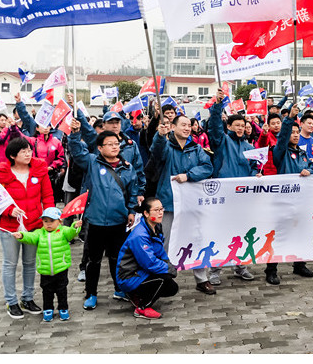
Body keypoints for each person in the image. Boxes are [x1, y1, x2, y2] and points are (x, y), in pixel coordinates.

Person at [65, 115, 143, 311]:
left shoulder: (127, 167)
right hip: (96, 221)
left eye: (116, 144)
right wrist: (75, 134)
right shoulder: (92, 162)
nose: (115, 147)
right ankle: (91, 293)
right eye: (109, 144)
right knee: (94, 260)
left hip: (119, 220)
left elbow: (133, 190)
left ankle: (119, 289)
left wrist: (131, 210)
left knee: (117, 258)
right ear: (100, 148)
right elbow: (76, 152)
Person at [144, 113, 214, 294]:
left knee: (197, 239)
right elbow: (156, 154)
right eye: (183, 124)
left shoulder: (196, 148)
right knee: (165, 241)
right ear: (173, 127)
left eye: (189, 125)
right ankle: (164, 277)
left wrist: (189, 175)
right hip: (168, 202)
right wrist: (159, 136)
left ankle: (202, 278)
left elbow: (207, 167)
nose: (187, 128)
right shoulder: (166, 145)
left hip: (191, 203)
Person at [0, 137, 52, 319]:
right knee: (10, 264)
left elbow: (47, 195)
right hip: (10, 228)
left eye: (29, 150)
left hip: (33, 225)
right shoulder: (1, 173)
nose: (28, 154)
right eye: (23, 151)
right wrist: (10, 210)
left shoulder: (39, 169)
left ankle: (28, 298)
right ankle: (11, 301)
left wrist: (48, 217)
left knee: (30, 263)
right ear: (12, 156)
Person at [203, 91, 260, 283]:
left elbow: (254, 168)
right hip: (223, 195)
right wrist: (218, 104)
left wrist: (255, 176)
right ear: (229, 126)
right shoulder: (221, 142)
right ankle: (214, 271)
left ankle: (240, 266)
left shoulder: (249, 148)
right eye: (237, 125)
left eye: (243, 126)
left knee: (243, 233)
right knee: (220, 232)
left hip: (243, 198)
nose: (241, 128)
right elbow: (214, 127)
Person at [265, 112, 313, 283]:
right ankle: (271, 269)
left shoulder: (303, 154)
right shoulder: (280, 151)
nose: (295, 135)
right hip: (283, 201)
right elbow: (281, 139)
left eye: (297, 132)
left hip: (301, 201)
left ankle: (299, 264)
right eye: (292, 132)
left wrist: (309, 171)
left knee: (300, 232)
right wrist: (289, 119)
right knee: (278, 235)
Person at [13, 207, 81, 322]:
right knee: (47, 291)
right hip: (45, 269)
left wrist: (75, 226)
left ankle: (63, 308)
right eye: (46, 221)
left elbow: (71, 233)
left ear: (59, 221)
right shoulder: (39, 233)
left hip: (61, 268)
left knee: (62, 290)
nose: (48, 224)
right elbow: (31, 237)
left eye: (52, 221)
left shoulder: (63, 231)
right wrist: (22, 236)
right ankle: (48, 309)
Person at [116, 199, 177, 320]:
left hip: (141, 271)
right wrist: (168, 268)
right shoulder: (140, 235)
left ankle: (137, 295)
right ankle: (142, 307)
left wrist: (168, 264)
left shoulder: (156, 226)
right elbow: (149, 263)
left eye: (161, 209)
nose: (160, 213)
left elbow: (160, 253)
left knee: (172, 287)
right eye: (156, 210)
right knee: (163, 279)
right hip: (128, 276)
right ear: (146, 213)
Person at [14, 100, 67, 204]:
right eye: (43, 125)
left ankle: (50, 218)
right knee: (34, 199)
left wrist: (52, 166)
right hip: (35, 173)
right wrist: (13, 127)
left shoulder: (56, 142)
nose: (46, 128)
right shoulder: (33, 141)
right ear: (37, 128)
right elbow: (20, 135)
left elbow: (61, 158)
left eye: (48, 125)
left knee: (50, 200)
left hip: (51, 175)